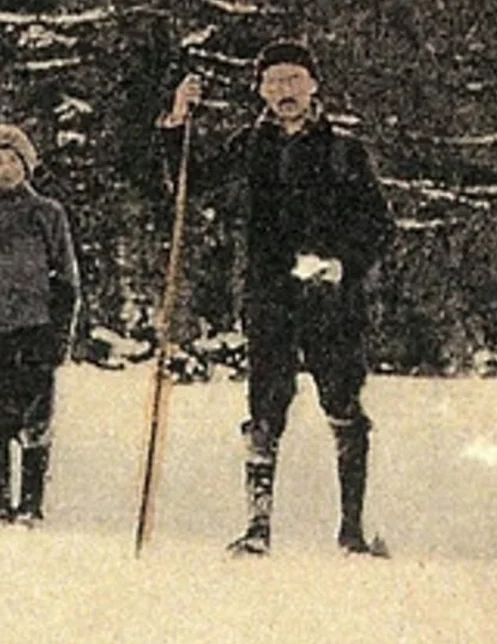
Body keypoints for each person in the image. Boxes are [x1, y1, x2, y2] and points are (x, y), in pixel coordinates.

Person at [158, 40, 396, 556]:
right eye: (273, 82)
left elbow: (379, 224)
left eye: (293, 80)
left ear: (314, 85)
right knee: (265, 407)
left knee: (342, 404)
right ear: (260, 90)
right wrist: (179, 120)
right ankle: (258, 526)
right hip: (270, 294)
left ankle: (352, 528)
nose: (284, 92)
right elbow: (185, 184)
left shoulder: (344, 150)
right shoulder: (252, 144)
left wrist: (344, 264)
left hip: (332, 298)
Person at [0, 123, 80, 525]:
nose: (5, 169)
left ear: (27, 166)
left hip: (34, 327)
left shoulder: (47, 213)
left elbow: (66, 278)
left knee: (34, 417)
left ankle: (31, 503)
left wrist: (59, 335)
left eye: (13, 160)